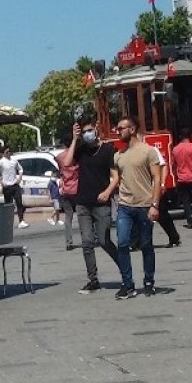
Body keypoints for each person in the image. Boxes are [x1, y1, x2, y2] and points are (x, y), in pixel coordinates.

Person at [66, 121, 119, 294]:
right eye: (84, 132)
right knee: (87, 243)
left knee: (104, 241)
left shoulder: (107, 150)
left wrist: (108, 192)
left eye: (89, 130)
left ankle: (124, 268)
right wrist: (75, 139)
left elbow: (116, 176)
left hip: (101, 203)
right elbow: (67, 162)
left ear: (96, 129)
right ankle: (93, 280)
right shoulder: (81, 150)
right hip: (83, 203)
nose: (87, 134)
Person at [111, 117, 161, 299]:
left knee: (146, 245)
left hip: (145, 205)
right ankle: (128, 284)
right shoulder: (118, 155)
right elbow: (116, 179)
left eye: (121, 128)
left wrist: (155, 205)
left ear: (132, 129)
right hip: (125, 206)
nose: (118, 131)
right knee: (123, 243)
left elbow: (157, 178)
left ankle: (149, 282)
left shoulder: (149, 151)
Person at [170, 127, 192, 229]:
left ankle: (190, 219)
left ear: (181, 136)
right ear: (191, 136)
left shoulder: (175, 149)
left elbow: (173, 164)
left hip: (182, 178)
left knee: (186, 200)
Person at [54, 130, 82, 249]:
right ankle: (87, 238)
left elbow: (59, 170)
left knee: (68, 217)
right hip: (77, 188)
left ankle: (69, 241)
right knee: (82, 215)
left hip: (65, 189)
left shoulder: (59, 157)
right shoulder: (77, 155)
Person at [0, 148, 27, 228]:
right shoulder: (1, 162)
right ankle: (7, 222)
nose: (9, 153)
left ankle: (21, 221)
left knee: (19, 202)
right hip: (7, 186)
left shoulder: (14, 160)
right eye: (7, 152)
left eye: (9, 151)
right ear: (3, 153)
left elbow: (20, 169)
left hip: (15, 185)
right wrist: (1, 182)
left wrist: (19, 178)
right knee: (8, 205)